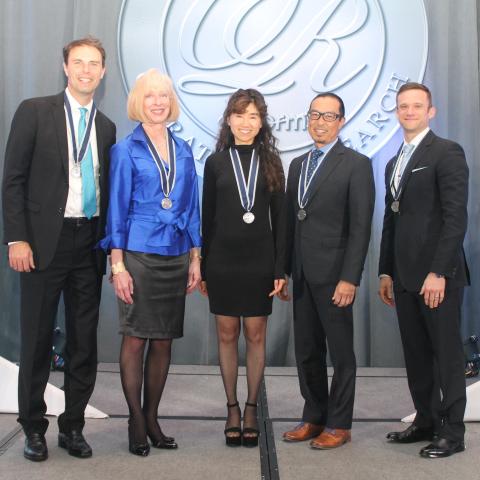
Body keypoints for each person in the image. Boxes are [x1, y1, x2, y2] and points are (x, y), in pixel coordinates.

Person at [2, 37, 116, 461]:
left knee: (84, 342)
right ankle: (33, 427)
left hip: (89, 244)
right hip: (40, 244)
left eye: (94, 64)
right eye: (78, 62)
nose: (86, 70)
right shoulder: (34, 111)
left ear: (103, 72)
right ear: (66, 68)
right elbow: (12, 179)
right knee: (36, 339)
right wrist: (18, 237)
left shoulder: (106, 128)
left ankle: (73, 426)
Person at [98, 69, 201, 456]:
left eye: (163, 96)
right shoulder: (125, 150)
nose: (157, 102)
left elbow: (191, 207)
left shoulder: (185, 150)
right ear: (138, 101)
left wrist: (195, 257)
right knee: (136, 338)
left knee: (163, 341)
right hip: (138, 255)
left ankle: (153, 417)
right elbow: (116, 210)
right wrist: (118, 265)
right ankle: (136, 421)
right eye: (150, 95)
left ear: (170, 102)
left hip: (175, 254)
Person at [378, 82, 469, 458]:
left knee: (446, 356)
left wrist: (439, 272)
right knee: (416, 355)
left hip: (436, 278)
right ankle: (426, 421)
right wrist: (385, 271)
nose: (410, 111)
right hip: (403, 277)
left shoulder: (447, 152)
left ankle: (453, 433)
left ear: (431, 111)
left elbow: (454, 219)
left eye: (417, 106)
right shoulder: (393, 160)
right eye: (403, 106)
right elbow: (391, 221)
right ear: (397, 112)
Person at [281, 93, 375, 449]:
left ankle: (339, 422)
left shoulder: (355, 164)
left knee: (341, 354)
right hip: (303, 275)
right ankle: (313, 415)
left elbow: (361, 226)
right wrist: (285, 270)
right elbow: (293, 221)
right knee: (306, 351)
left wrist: (350, 278)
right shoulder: (298, 164)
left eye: (329, 116)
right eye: (315, 115)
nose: (320, 122)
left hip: (337, 277)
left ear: (342, 121)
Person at [199, 89, 286, 447]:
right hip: (221, 262)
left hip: (259, 263)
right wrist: (202, 266)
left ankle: (251, 406)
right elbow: (207, 220)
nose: (246, 123)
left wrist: (280, 269)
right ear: (228, 119)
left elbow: (281, 223)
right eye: (239, 115)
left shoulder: (272, 161)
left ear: (261, 122)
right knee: (225, 335)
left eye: (253, 116)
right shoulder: (215, 163)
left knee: (255, 335)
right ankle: (231, 407)